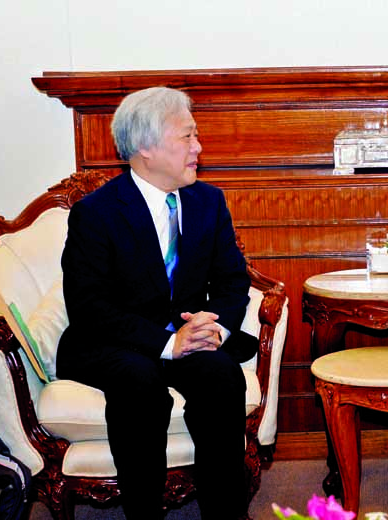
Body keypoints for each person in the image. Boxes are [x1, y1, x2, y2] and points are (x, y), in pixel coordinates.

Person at [57, 86, 258, 520]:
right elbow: (89, 306)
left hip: (185, 333)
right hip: (115, 341)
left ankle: (227, 515)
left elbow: (232, 279)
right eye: (187, 137)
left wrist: (215, 328)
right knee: (139, 382)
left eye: (196, 136)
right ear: (146, 147)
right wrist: (169, 344)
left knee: (221, 376)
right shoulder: (97, 213)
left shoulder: (207, 201)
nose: (198, 148)